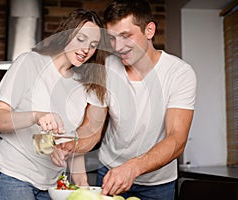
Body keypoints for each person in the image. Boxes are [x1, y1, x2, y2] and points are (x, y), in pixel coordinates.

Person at [52, 0, 197, 199]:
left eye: (126, 36)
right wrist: (70, 144)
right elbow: (92, 128)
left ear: (149, 30)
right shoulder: (106, 68)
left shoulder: (179, 73)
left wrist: (133, 168)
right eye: (112, 38)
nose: (118, 47)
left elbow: (177, 139)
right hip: (110, 175)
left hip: (157, 184)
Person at [0, 9, 108, 200]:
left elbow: (74, 142)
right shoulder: (29, 63)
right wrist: (36, 116)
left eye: (93, 45)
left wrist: (83, 186)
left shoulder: (85, 84)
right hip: (15, 175)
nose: (86, 49)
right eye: (81, 39)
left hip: (52, 184)